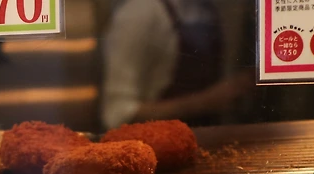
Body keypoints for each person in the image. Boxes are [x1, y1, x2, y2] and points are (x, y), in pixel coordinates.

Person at [100, 0, 249, 129]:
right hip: (157, 143)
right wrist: (206, 101)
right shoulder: (139, 12)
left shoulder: (206, 9)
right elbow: (118, 112)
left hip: (208, 138)